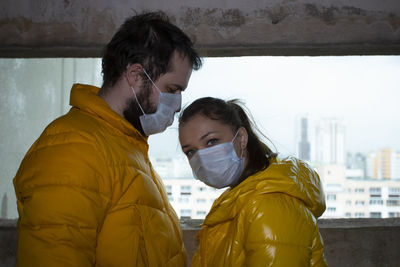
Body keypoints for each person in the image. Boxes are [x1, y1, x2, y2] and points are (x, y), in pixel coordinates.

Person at [13, 11, 201, 267]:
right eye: (172, 90)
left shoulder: (126, 146)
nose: (177, 105)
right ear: (135, 75)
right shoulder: (73, 149)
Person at [178, 97, 328, 267]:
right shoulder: (239, 198)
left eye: (211, 141)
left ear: (241, 138)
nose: (202, 158)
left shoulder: (270, 204)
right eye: (190, 151)